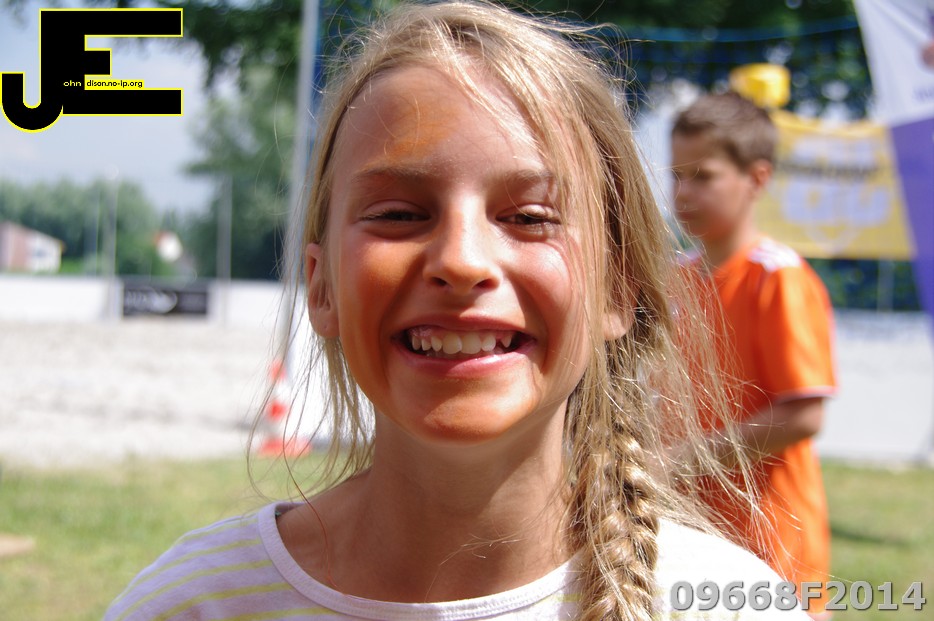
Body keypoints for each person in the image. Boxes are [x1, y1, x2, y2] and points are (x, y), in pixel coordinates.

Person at [105, 3, 812, 619]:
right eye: (399, 213)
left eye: (530, 217)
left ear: (616, 290)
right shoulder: (192, 604)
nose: (462, 259)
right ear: (321, 287)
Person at [670, 91, 837, 619]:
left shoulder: (778, 277)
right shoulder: (676, 278)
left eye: (703, 176)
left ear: (757, 179)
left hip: (773, 541)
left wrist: (688, 458)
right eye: (676, 176)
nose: (682, 192)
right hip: (697, 533)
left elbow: (804, 413)